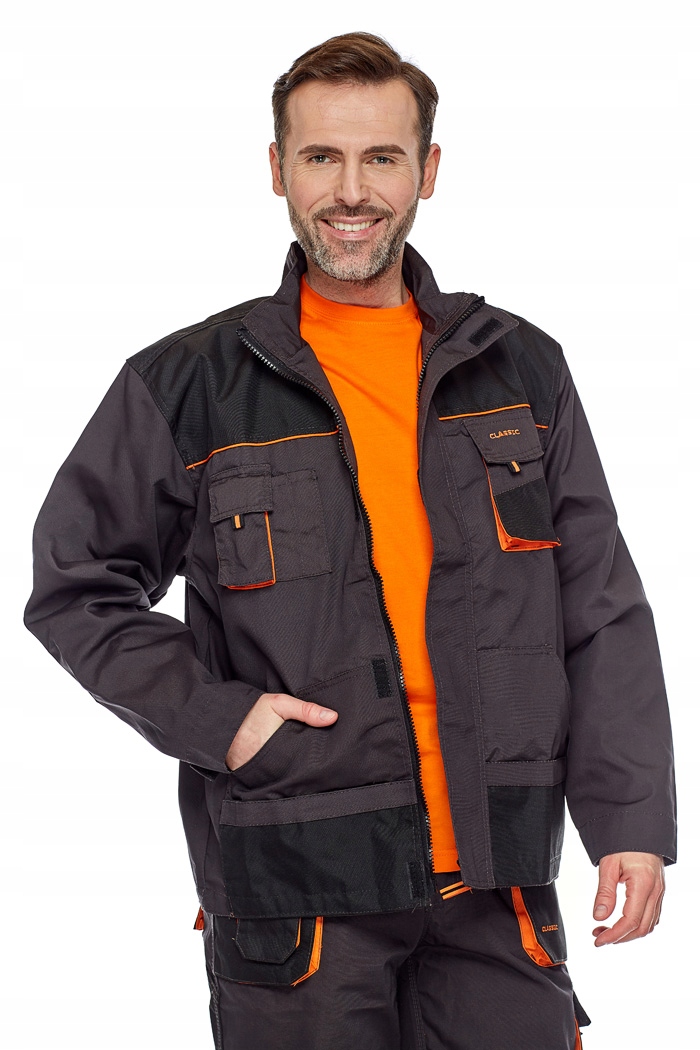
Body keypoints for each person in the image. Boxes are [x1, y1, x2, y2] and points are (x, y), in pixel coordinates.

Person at [25, 31, 676, 1050]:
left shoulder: (519, 369)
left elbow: (598, 607)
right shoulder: (189, 383)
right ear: (277, 168)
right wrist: (222, 718)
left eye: (382, 157)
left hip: (499, 883)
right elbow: (76, 584)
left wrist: (629, 820)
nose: (351, 191)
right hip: (298, 894)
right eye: (321, 157)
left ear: (428, 170)